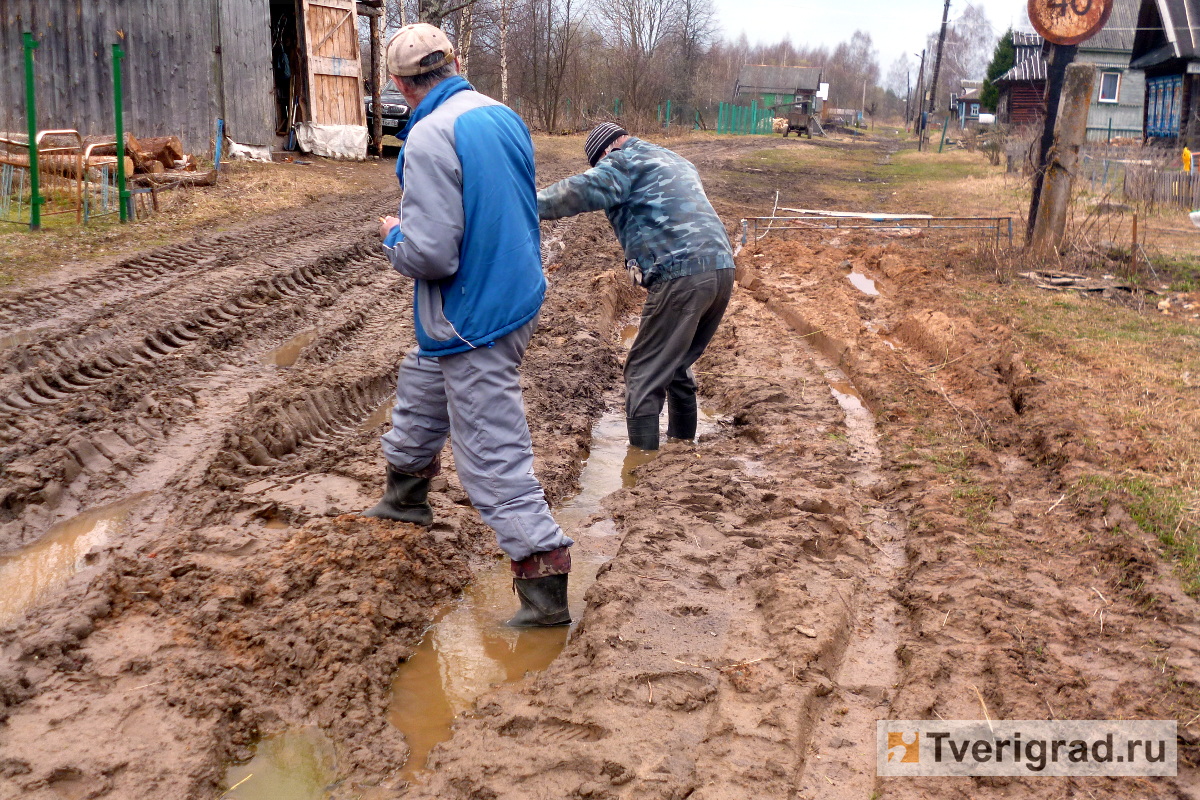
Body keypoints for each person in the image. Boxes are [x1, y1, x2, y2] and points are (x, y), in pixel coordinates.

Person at [363, 23, 572, 627]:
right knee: (423, 381)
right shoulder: (500, 114)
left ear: (401, 84)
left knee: (488, 450)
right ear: (453, 61)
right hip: (515, 290)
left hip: (472, 312)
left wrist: (392, 236)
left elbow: (430, 255)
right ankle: (405, 496)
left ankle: (544, 577)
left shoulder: (428, 136)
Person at [537, 123, 736, 451]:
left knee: (642, 373)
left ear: (606, 151)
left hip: (682, 273)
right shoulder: (674, 159)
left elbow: (581, 190)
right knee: (677, 363)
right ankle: (681, 448)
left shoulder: (622, 162)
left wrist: (526, 203)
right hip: (722, 269)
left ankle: (641, 464)